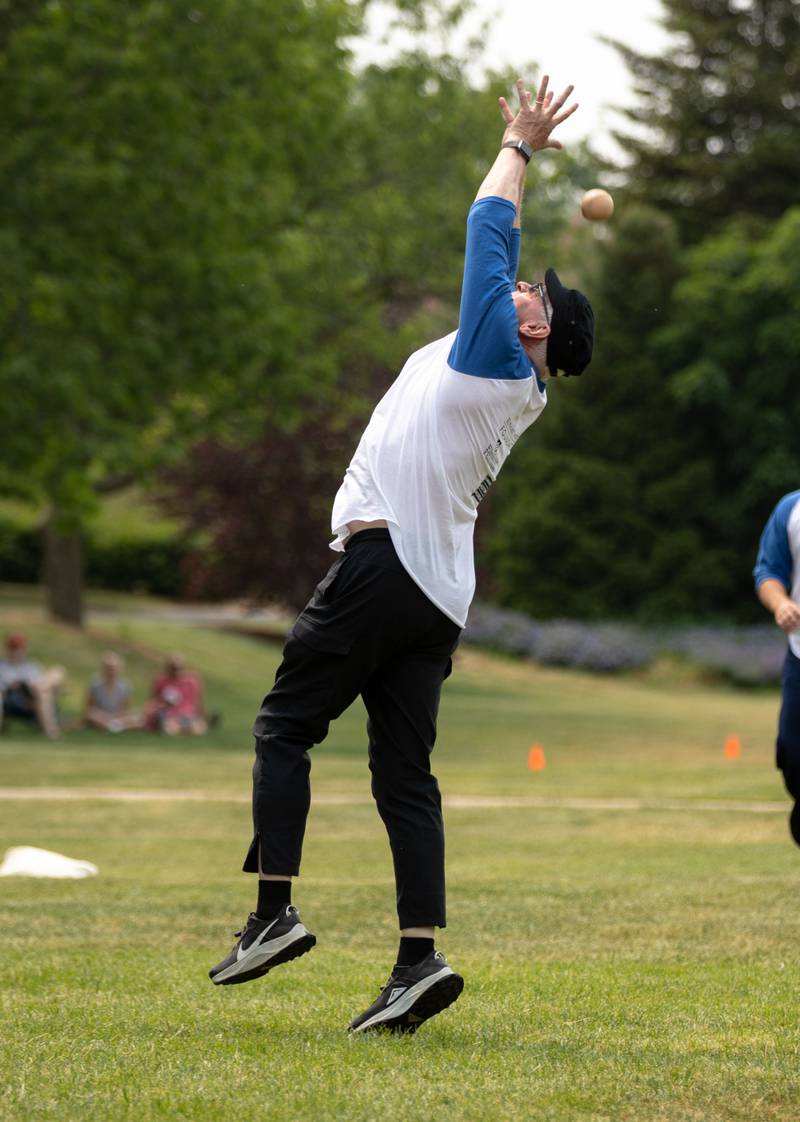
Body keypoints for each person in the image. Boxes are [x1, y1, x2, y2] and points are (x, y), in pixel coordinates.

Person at [209, 75, 595, 1035]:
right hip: (436, 597)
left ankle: (271, 916)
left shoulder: (493, 353)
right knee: (403, 781)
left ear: (535, 327)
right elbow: (481, 265)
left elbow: (484, 234)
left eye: (530, 296)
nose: (517, 289)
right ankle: (419, 961)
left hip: (384, 572)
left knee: (282, 728)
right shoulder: (496, 371)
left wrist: (519, 147)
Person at [754, 489, 800, 845]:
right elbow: (768, 570)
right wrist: (781, 603)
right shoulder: (791, 508)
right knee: (793, 753)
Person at [0, 631, 64, 739]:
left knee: (57, 671)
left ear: (25, 649)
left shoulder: (32, 667)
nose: (16, 652)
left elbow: (41, 684)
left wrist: (33, 688)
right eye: (13, 648)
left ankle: (51, 733)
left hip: (34, 698)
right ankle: (51, 732)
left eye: (19, 648)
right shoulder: (2, 666)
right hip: (10, 701)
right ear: (7, 648)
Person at [145, 653, 209, 735]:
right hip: (169, 715)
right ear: (167, 668)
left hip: (189, 714)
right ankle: (179, 728)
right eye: (173, 668)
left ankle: (185, 727)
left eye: (179, 667)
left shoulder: (192, 682)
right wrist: (150, 713)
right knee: (169, 726)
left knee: (198, 728)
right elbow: (153, 700)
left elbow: (198, 702)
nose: (176, 670)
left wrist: (203, 715)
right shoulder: (161, 680)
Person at [84, 652, 143, 733]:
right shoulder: (95, 684)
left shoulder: (125, 686)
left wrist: (117, 717)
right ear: (104, 669)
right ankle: (115, 727)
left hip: (117, 717)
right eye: (109, 668)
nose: (111, 671)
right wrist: (104, 717)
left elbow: (124, 709)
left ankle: (113, 726)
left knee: (138, 718)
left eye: (114, 668)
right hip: (100, 716)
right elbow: (90, 708)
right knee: (92, 715)